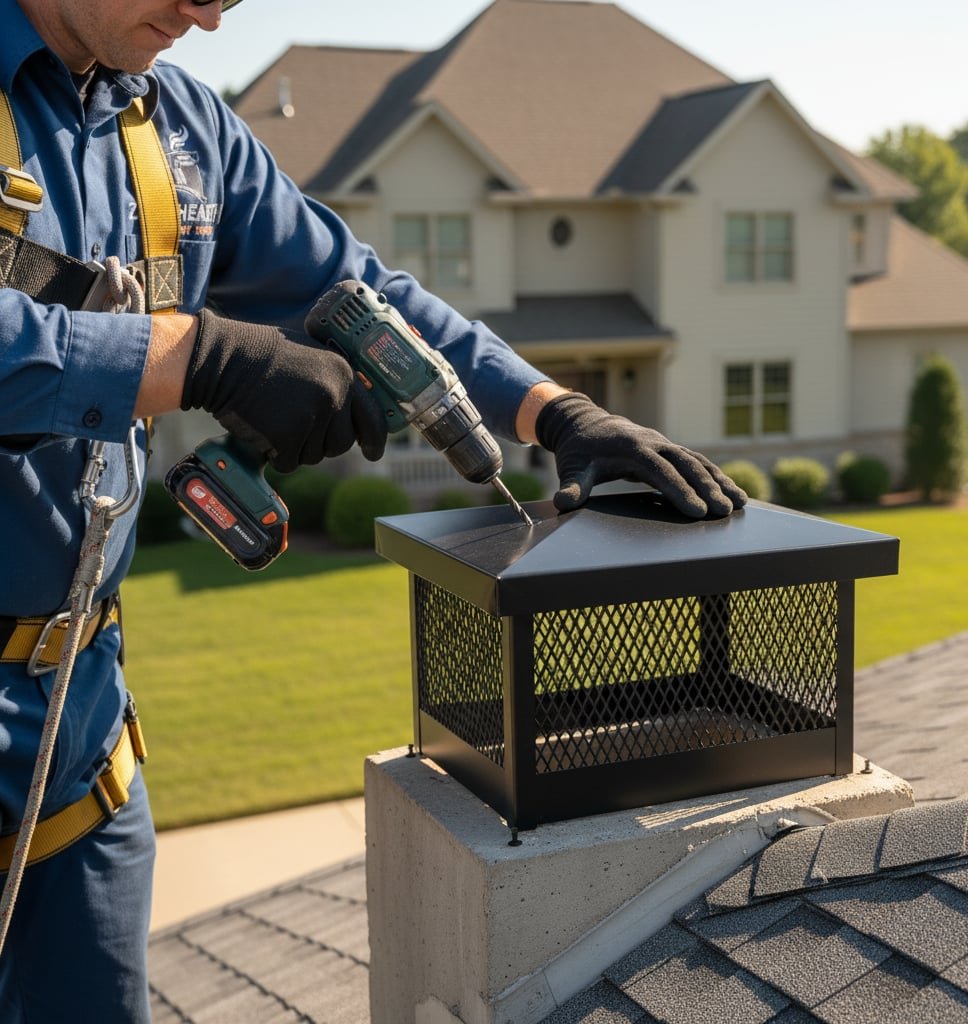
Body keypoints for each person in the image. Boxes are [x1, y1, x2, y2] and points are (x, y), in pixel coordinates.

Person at [0, 0, 746, 1019]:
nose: (208, 14)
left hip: (82, 765)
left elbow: (354, 291)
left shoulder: (181, 131)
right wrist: (199, 355)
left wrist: (553, 410)